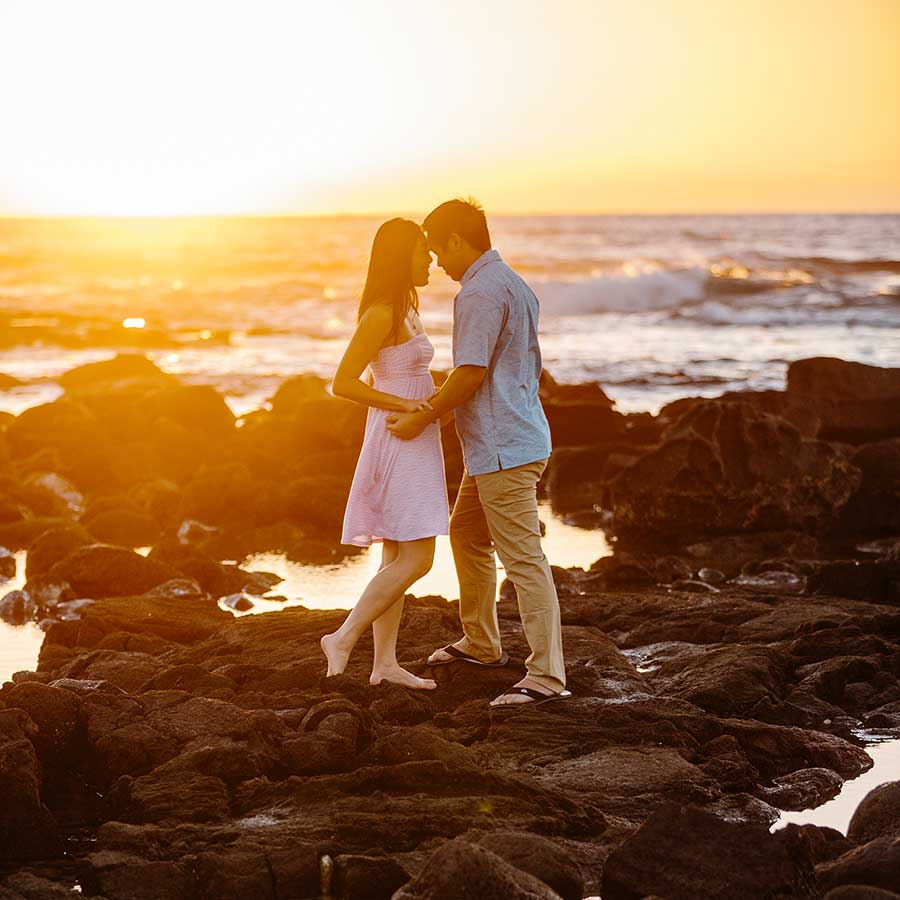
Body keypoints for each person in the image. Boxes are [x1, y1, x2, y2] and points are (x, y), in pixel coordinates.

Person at [386, 199, 570, 708]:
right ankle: (483, 643)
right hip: (510, 439)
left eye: (436, 250)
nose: (436, 263)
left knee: (523, 558)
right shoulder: (512, 282)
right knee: (466, 533)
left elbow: (469, 373)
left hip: (505, 446)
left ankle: (547, 677)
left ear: (457, 242)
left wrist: (424, 416)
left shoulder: (480, 294)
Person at [320, 218, 449, 690]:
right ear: (401, 257)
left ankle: (385, 665)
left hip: (414, 434)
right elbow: (344, 382)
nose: (431, 260)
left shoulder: (406, 308)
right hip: (398, 437)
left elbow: (403, 375)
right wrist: (406, 405)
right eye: (422, 251)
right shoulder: (381, 312)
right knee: (418, 559)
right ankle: (343, 635)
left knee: (395, 554)